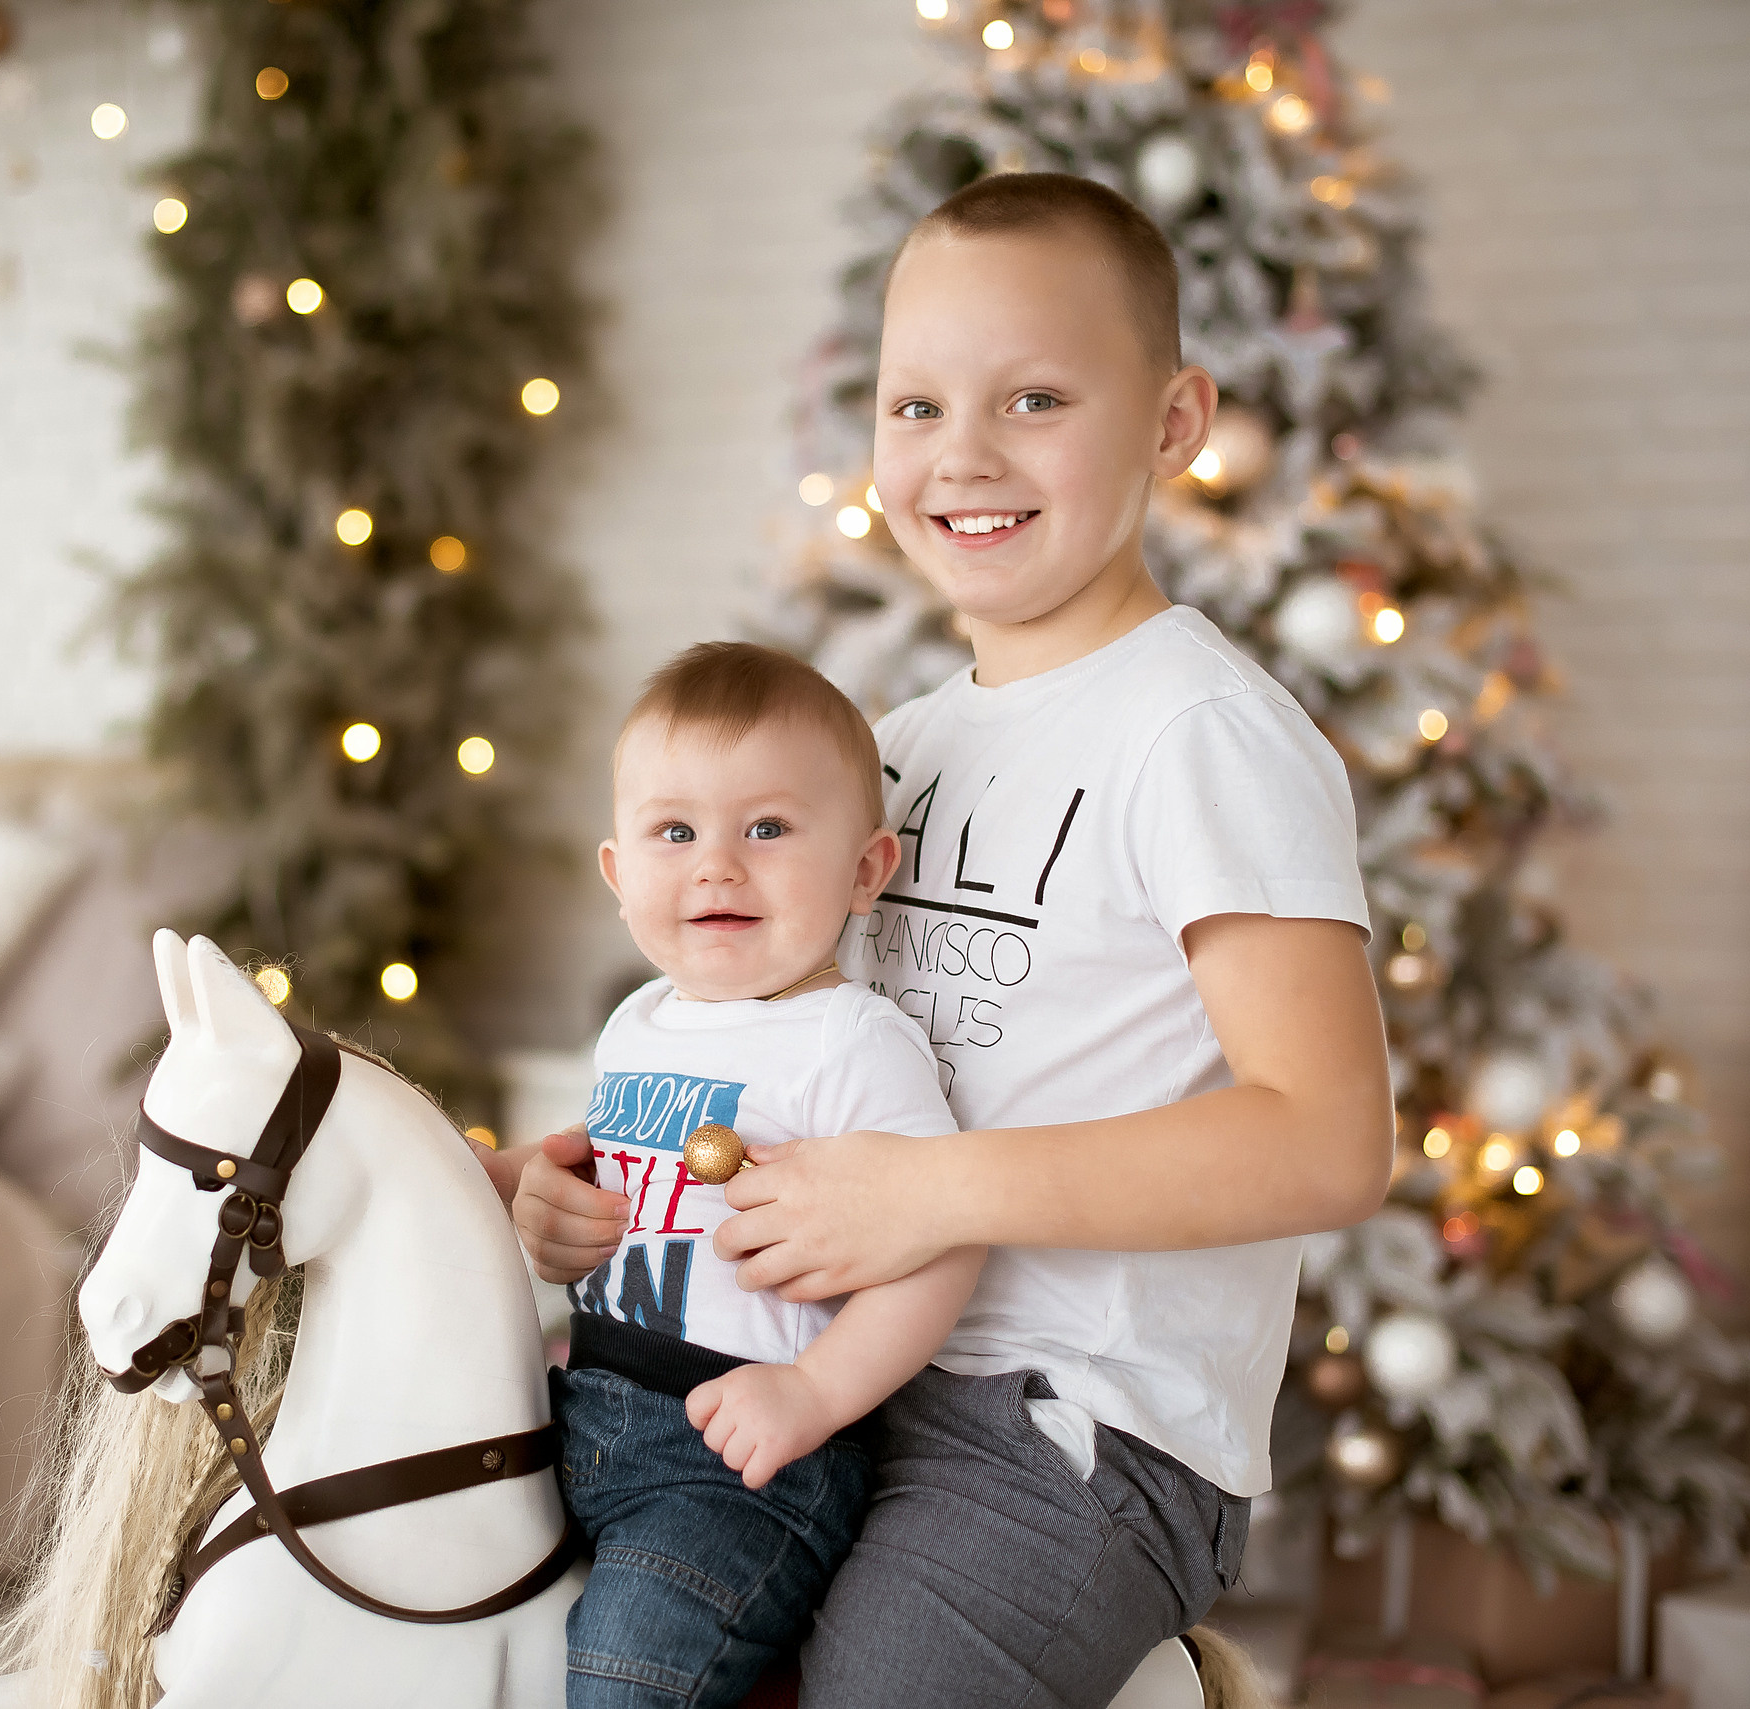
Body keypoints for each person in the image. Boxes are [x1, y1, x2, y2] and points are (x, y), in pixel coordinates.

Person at [479, 172, 1394, 1707]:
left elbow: (1328, 1138)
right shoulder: (886, 749)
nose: (961, 456)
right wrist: (597, 1186)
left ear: (1175, 421)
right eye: (915, 407)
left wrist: (927, 1193)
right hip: (816, 1365)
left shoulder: (1204, 736)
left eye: (1035, 398)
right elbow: (791, 1063)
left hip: (1069, 1425)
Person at [478, 640, 983, 1709]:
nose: (716, 863)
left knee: (624, 1675)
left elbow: (943, 1240)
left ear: (863, 869)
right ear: (619, 873)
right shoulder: (637, 1020)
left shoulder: (849, 1042)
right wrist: (497, 1178)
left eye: (765, 828)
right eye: (675, 831)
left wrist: (814, 1390)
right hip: (580, 1407)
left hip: (742, 1467)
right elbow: (602, 1151)